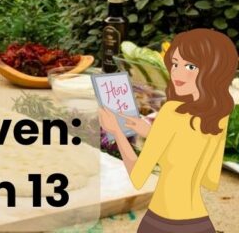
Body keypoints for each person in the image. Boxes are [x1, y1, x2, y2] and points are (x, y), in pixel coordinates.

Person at [99, 28, 238, 233]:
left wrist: (116, 130)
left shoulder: (171, 112)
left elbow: (138, 177)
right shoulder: (220, 116)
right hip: (199, 222)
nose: (178, 73)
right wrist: (153, 134)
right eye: (175, 63)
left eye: (190, 66)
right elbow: (208, 178)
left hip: (162, 222)